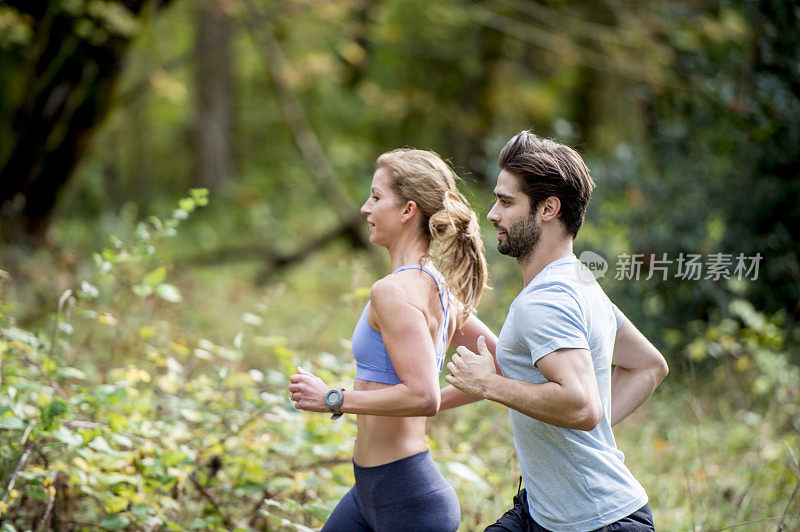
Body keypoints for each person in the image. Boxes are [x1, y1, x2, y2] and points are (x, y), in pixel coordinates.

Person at [445, 131, 670, 531]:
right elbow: (649, 366)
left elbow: (582, 405)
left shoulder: (545, 301)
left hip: (597, 522)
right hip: (547, 512)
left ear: (548, 208)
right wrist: (585, 435)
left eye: (506, 201)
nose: (493, 213)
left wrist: (488, 384)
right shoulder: (581, 282)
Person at [288, 148, 498, 532]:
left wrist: (332, 399)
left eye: (376, 197)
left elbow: (423, 396)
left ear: (407, 211)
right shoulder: (437, 287)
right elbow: (498, 364)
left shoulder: (393, 291)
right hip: (372, 493)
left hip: (407, 501)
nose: (366, 209)